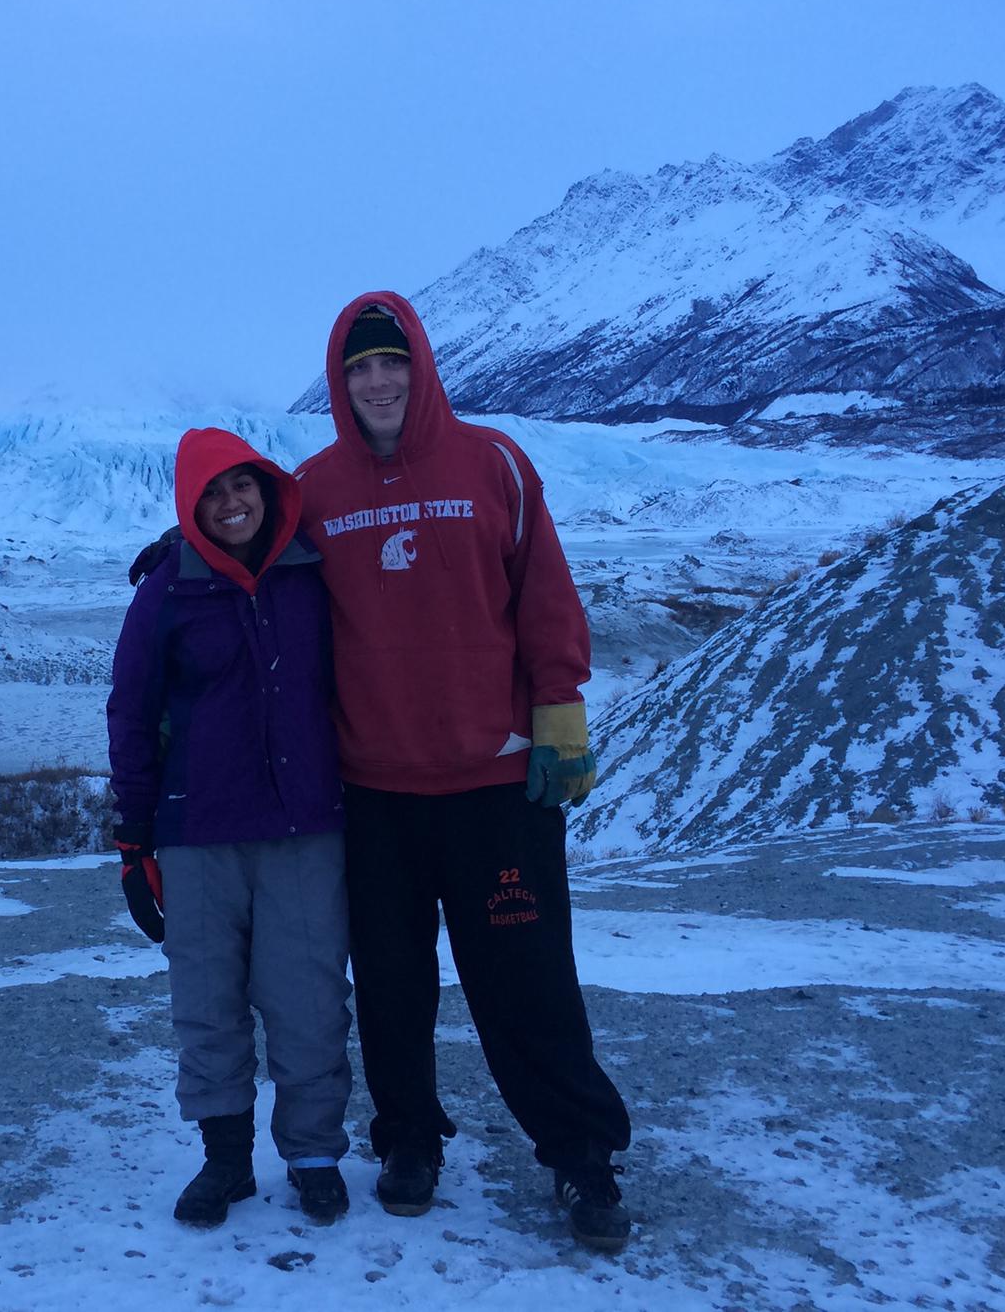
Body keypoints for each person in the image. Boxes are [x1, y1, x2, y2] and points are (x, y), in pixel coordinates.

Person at [292, 291, 634, 1252]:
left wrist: (559, 707)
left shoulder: (493, 464)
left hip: (494, 786)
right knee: (392, 984)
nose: (377, 382)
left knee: (525, 980)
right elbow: (254, 566)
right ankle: (408, 1139)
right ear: (339, 382)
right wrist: (184, 558)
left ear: (421, 365)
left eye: (390, 362)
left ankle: (581, 1155)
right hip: (374, 793)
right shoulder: (315, 489)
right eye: (358, 368)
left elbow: (545, 592)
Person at [106, 426, 354, 1229]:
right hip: (198, 834)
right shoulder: (165, 592)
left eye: (241, 485)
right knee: (206, 1004)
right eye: (211, 493)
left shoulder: (314, 573)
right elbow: (132, 715)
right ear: (190, 506)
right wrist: (133, 843)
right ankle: (226, 1161)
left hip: (305, 826)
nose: (230, 503)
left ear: (267, 487)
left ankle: (313, 1153)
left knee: (308, 999)